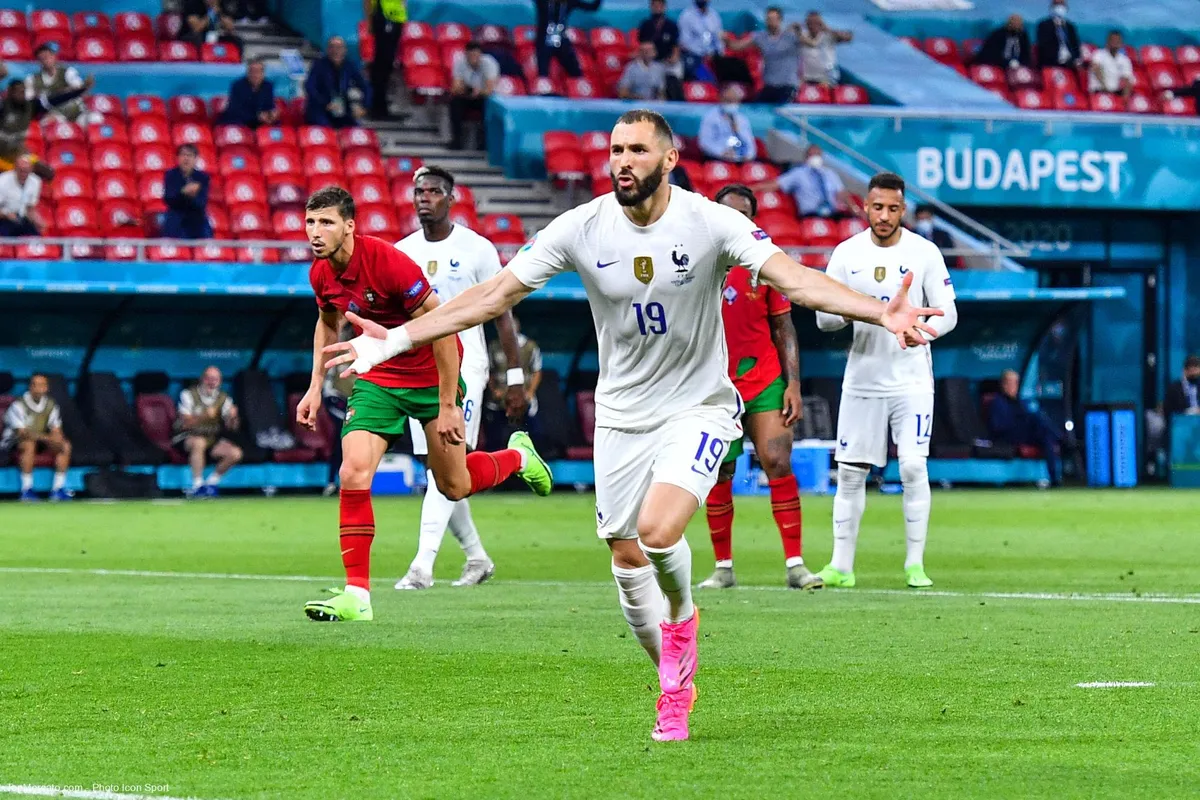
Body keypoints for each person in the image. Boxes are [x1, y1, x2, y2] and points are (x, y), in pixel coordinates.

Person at [323, 109, 942, 740]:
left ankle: (682, 616)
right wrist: (396, 339)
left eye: (638, 150)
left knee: (656, 530)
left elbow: (797, 281)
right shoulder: (581, 226)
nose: (623, 160)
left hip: (698, 407)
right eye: (616, 149)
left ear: (669, 159)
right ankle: (673, 683)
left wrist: (877, 312)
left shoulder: (711, 222)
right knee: (624, 558)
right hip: (621, 416)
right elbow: (492, 296)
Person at [294, 186, 553, 623]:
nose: (315, 232)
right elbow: (327, 323)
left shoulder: (388, 262)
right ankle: (357, 595)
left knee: (454, 484)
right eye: (310, 222)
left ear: (350, 226)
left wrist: (449, 403)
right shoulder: (321, 273)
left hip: (433, 375)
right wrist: (315, 384)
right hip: (379, 378)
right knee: (353, 471)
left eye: (326, 223)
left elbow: (444, 329)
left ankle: (516, 456)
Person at [813, 171, 959, 590]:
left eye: (893, 208)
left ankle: (915, 565)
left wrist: (922, 334)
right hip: (862, 378)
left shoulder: (924, 252)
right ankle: (841, 566)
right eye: (877, 207)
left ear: (903, 209)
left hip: (911, 379)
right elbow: (824, 318)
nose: (884, 215)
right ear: (865, 206)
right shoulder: (846, 253)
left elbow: (948, 312)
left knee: (913, 466)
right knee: (851, 473)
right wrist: (855, 311)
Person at [393, 166, 528, 590]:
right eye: (418, 192)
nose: (423, 198)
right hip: (420, 368)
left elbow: (503, 313)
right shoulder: (402, 251)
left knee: (446, 456)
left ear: (451, 199)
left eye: (433, 191)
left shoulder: (477, 249)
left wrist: (516, 375)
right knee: (439, 468)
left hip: (466, 365)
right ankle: (477, 557)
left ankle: (422, 566)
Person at [698, 185, 821, 591]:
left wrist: (794, 385)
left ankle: (796, 564)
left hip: (764, 379)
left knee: (777, 460)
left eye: (744, 214)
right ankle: (723, 567)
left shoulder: (766, 265)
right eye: (729, 213)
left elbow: (784, 328)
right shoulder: (695, 265)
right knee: (720, 471)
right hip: (713, 383)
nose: (737, 220)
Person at [174, 366, 244, 498]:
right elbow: (185, 424)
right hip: (187, 437)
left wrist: (233, 418)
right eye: (209, 379)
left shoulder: (224, 399)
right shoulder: (188, 395)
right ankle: (197, 485)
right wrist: (204, 416)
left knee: (235, 453)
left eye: (216, 379)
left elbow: (232, 427)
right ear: (202, 379)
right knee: (199, 442)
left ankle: (211, 484)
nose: (212, 382)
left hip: (211, 439)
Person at [1, 373, 72, 502]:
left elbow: (56, 428)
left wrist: (57, 438)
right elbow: (22, 433)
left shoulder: (50, 405)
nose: (40, 388)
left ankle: (58, 489)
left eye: (43, 385)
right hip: (12, 443)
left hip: (41, 440)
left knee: (64, 445)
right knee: (28, 444)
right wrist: (48, 438)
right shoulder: (18, 404)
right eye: (36, 385)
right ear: (30, 387)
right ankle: (26, 490)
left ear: (47, 388)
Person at [0, 76, 90, 178]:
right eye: (18, 92)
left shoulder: (30, 106)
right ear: (10, 93)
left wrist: (80, 90)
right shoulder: (3, 107)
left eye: (23, 91)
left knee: (48, 173)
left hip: (18, 155)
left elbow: (56, 99)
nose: (22, 94)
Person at [987, 369, 1062, 487]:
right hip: (1008, 436)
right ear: (1004, 385)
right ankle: (1061, 438)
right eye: (1010, 383)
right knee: (1035, 419)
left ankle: (1054, 478)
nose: (1014, 386)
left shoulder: (1020, 402)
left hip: (1025, 434)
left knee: (1046, 437)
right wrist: (1019, 420)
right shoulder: (997, 403)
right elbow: (997, 427)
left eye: (1016, 383)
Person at [723, 7, 801, 103]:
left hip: (787, 86)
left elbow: (811, 43)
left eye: (773, 19)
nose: (770, 22)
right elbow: (736, 46)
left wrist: (800, 30)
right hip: (769, 86)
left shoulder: (791, 37)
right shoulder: (760, 37)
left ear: (780, 20)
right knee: (756, 107)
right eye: (768, 19)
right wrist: (726, 39)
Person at [757, 144, 851, 219]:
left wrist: (856, 210)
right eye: (812, 155)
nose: (815, 158)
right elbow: (776, 184)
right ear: (806, 157)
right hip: (811, 214)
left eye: (817, 155)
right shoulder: (798, 173)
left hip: (831, 213)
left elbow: (842, 193)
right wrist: (754, 188)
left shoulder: (830, 174)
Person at [304, 36, 370, 129]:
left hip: (342, 109)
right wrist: (325, 103)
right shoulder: (318, 65)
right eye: (332, 47)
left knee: (356, 130)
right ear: (327, 50)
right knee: (327, 129)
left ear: (345, 50)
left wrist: (364, 106)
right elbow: (309, 87)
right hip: (321, 109)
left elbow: (366, 86)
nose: (335, 51)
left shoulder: (349, 65)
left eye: (339, 47)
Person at [322, 323, 357, 497]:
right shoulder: (337, 351)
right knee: (343, 436)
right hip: (335, 399)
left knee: (352, 439)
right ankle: (332, 482)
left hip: (356, 401)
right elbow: (327, 381)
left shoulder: (364, 351)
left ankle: (350, 481)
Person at [25, 43, 97, 124]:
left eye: (48, 56)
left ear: (54, 57)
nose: (46, 60)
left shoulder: (68, 72)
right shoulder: (32, 79)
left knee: (95, 119)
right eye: (42, 58)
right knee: (45, 123)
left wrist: (84, 86)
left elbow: (80, 89)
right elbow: (29, 100)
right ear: (39, 62)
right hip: (54, 115)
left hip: (76, 113)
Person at [448, 42, 499, 150]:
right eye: (470, 56)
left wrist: (478, 91)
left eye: (476, 56)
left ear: (480, 55)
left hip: (483, 97)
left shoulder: (489, 63)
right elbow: (455, 88)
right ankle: (457, 140)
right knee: (454, 102)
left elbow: (489, 89)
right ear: (466, 54)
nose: (473, 59)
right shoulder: (460, 63)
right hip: (466, 96)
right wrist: (467, 90)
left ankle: (485, 143)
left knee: (489, 105)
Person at [533, 0, 601, 80]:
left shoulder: (569, 2)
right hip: (544, 41)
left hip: (561, 41)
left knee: (576, 74)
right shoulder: (543, 2)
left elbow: (593, 7)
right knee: (543, 76)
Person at [364, 0, 407, 120]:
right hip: (384, 15)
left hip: (396, 18)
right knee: (381, 64)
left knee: (387, 64)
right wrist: (369, 20)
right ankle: (375, 107)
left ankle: (381, 107)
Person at [162, 144, 213, 240]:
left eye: (189, 155)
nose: (186, 158)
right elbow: (169, 199)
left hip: (196, 219)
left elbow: (201, 202)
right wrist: (184, 192)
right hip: (176, 219)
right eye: (183, 155)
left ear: (196, 159)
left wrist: (186, 196)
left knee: (204, 229)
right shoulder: (171, 175)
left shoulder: (202, 177)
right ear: (177, 158)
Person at [697, 85, 756, 163]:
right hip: (717, 159)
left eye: (734, 101)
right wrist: (722, 152)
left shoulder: (742, 120)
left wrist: (747, 155)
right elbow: (704, 142)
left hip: (740, 160)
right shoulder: (711, 117)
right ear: (721, 99)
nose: (731, 104)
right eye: (728, 100)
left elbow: (751, 146)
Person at [218, 58, 278, 128]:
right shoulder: (237, 85)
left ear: (263, 73)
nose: (255, 75)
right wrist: (257, 116)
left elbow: (269, 105)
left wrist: (272, 113)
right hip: (240, 119)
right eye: (252, 71)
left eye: (258, 71)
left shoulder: (268, 86)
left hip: (260, 121)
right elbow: (235, 110)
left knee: (277, 125)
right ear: (247, 72)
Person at [797, 11, 852, 87]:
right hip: (807, 77)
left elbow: (848, 38)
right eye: (810, 23)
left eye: (816, 23)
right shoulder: (803, 36)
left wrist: (827, 29)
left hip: (826, 78)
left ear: (821, 23)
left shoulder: (828, 35)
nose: (813, 25)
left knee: (822, 91)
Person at [677, 0, 723, 81]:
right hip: (694, 56)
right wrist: (703, 55)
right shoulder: (686, 16)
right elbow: (684, 43)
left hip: (713, 56)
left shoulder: (714, 15)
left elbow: (719, 40)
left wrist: (718, 52)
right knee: (707, 78)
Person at [0, 154, 44, 236]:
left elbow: (30, 208)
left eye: (26, 171)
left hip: (23, 219)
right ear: (15, 169)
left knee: (37, 237)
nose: (23, 174)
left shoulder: (36, 181)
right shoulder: (2, 181)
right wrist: (6, 214)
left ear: (31, 170)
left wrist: (38, 220)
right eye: (21, 170)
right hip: (4, 219)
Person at [1036, 0, 1081, 69]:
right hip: (1052, 62)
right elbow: (1043, 47)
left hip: (1070, 62)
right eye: (1057, 4)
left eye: (1062, 5)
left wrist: (1077, 59)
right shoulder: (1043, 25)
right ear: (1052, 7)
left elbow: (1075, 44)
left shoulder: (1070, 26)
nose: (1060, 7)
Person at [1089, 30, 1133, 98]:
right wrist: (1105, 88)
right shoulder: (1098, 54)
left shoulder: (1125, 59)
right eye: (1113, 40)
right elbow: (1096, 69)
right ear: (1108, 41)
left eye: (1118, 41)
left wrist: (1125, 97)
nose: (1115, 43)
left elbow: (1127, 79)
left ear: (1121, 43)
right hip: (1099, 91)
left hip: (1115, 92)